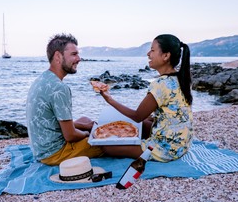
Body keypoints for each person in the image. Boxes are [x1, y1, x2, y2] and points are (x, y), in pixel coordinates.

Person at [100, 34, 193, 162]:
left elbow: (138, 116)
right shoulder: (181, 79)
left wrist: (109, 100)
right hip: (182, 143)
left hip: (168, 149)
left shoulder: (160, 84)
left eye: (153, 50)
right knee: (142, 124)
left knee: (107, 148)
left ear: (166, 56)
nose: (148, 54)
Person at [26, 33, 103, 165]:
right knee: (105, 141)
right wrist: (86, 133)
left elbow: (55, 122)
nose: (79, 59)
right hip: (54, 154)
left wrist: (85, 126)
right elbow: (70, 136)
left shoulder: (42, 79)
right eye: (74, 54)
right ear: (58, 56)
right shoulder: (59, 88)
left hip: (40, 149)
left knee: (85, 120)